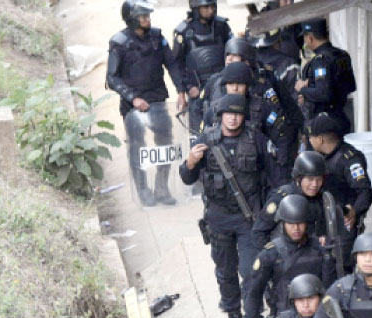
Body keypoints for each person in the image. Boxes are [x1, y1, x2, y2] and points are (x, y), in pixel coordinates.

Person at [179, 94, 268, 318]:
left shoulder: (256, 139)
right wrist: (191, 162)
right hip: (218, 219)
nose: (233, 117)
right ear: (220, 116)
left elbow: (272, 175)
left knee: (252, 271)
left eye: (238, 113)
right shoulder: (206, 139)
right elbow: (186, 177)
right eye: (228, 113)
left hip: (248, 217)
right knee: (226, 273)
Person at [106, 0, 185, 207]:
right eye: (143, 16)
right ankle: (143, 189)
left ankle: (162, 187)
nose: (148, 19)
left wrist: (181, 91)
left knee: (165, 144)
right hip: (133, 105)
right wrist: (132, 97)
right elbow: (112, 78)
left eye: (148, 16)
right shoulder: (119, 43)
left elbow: (172, 65)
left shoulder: (157, 37)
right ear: (132, 19)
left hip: (157, 99)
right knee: (137, 148)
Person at [243, 194, 335, 318]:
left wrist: (328, 258)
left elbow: (330, 289)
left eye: (300, 223)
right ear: (282, 223)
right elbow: (254, 293)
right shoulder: (270, 254)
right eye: (291, 224)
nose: (296, 228)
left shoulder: (320, 248)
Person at [202, 37, 295, 190]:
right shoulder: (214, 90)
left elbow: (280, 133)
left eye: (234, 56)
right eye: (227, 56)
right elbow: (203, 136)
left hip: (254, 167)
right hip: (221, 170)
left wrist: (280, 174)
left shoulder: (261, 94)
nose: (235, 88)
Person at [306, 113, 372, 272]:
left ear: (320, 140)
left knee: (341, 268)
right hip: (322, 219)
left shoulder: (349, 159)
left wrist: (354, 211)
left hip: (342, 224)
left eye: (312, 137)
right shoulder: (318, 157)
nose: (309, 140)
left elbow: (365, 192)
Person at [172, 0, 233, 132]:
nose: (210, 10)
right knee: (198, 135)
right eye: (206, 7)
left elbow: (234, 51)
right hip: (198, 90)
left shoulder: (221, 26)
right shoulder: (184, 31)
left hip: (222, 87)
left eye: (212, 6)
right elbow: (176, 64)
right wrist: (186, 88)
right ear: (195, 8)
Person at [252, 151, 327, 249]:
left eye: (319, 179)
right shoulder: (281, 197)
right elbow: (258, 233)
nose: (315, 184)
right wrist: (273, 257)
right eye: (310, 179)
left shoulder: (323, 200)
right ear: (298, 178)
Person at [294, 18, 356, 135]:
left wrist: (303, 89)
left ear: (310, 37)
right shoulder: (342, 55)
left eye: (305, 37)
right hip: (341, 116)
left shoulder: (321, 61)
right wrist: (311, 87)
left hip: (324, 126)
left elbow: (324, 93)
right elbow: (349, 86)